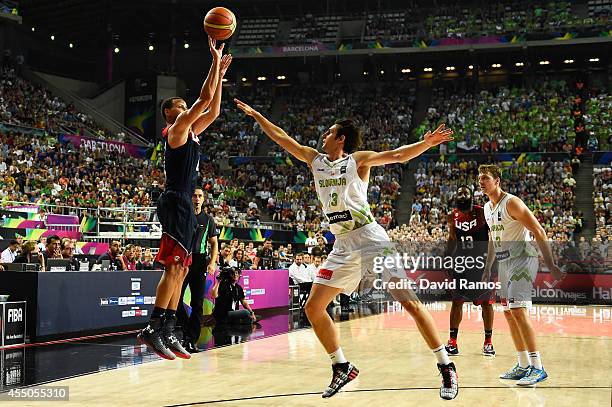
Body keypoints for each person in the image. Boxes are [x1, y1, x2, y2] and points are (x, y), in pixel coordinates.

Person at [235, 99, 458, 400]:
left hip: (370, 238)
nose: (323, 135)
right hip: (342, 244)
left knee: (409, 302)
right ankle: (341, 366)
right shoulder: (315, 160)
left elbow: (397, 155)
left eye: (329, 132)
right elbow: (282, 138)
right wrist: (257, 115)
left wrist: (426, 143)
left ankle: (446, 366)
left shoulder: (357, 161)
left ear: (341, 139)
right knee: (313, 307)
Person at [137, 38, 231, 361]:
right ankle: (154, 326)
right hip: (176, 200)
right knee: (173, 267)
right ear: (170, 116)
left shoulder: (191, 132)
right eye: (179, 108)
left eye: (184, 108)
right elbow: (204, 98)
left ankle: (170, 328)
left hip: (185, 205)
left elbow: (213, 108)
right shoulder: (176, 130)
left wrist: (219, 78)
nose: (185, 110)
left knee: (182, 270)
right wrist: (214, 65)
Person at [479, 164, 565, 386]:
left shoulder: (512, 202)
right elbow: (492, 238)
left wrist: (551, 264)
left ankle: (538, 367)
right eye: (479, 178)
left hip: (523, 258)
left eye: (485, 178)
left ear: (497, 181)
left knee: (518, 310)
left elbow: (538, 230)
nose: (481, 182)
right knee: (508, 313)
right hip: (504, 262)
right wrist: (489, 267)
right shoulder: (487, 208)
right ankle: (523, 364)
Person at [444, 186, 495, 357]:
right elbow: (452, 239)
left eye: (465, 192)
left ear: (472, 196)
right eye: (459, 193)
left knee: (487, 304)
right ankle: (452, 342)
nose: (462, 195)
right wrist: (447, 258)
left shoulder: (482, 212)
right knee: (457, 302)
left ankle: (488, 342)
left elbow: (492, 238)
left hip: (481, 263)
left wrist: (489, 264)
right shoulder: (452, 216)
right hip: (461, 263)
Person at [177, 186, 219, 353]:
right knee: (176, 300)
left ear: (203, 199)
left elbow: (214, 243)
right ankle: (186, 332)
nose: (197, 198)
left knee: (197, 303)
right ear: (190, 198)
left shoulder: (208, 220)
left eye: (200, 196)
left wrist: (212, 262)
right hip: (183, 260)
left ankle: (191, 340)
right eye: (194, 195)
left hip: (200, 261)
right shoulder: (184, 216)